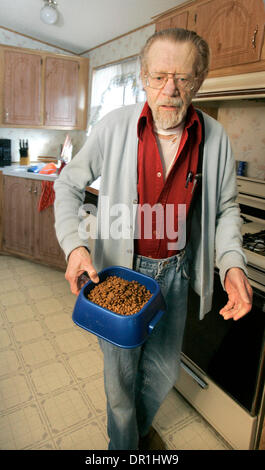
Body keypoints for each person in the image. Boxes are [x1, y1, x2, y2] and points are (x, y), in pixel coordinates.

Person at [54, 28, 253, 450]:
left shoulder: (215, 138)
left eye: (183, 78)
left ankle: (137, 434)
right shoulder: (114, 127)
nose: (170, 89)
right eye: (160, 75)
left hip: (177, 274)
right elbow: (68, 185)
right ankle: (123, 448)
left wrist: (232, 263)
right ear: (143, 77)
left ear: (198, 81)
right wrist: (75, 245)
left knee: (162, 371)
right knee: (121, 377)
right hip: (122, 274)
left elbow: (226, 210)